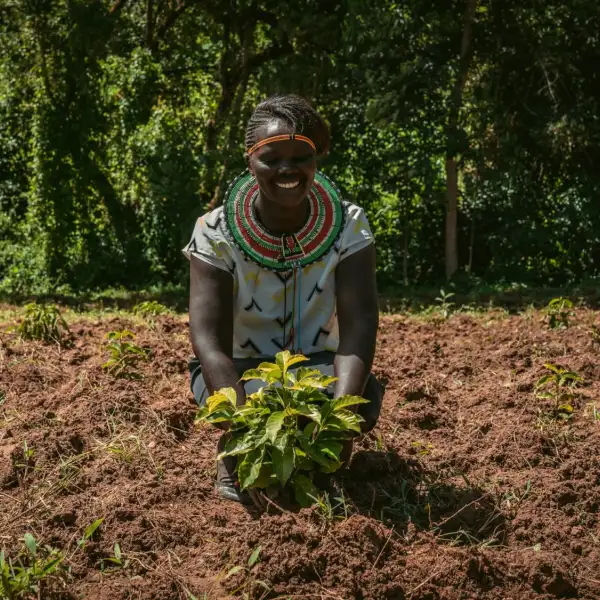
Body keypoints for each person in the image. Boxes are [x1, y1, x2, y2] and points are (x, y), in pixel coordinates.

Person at [183, 94, 383, 507]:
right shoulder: (214, 232)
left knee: (357, 396)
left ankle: (318, 465)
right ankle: (234, 459)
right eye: (271, 158)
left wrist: (339, 420)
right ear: (250, 161)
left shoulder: (349, 226)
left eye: (300, 157)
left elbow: (359, 327)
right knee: (263, 401)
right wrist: (243, 431)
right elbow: (209, 342)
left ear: (317, 159)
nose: (286, 169)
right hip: (238, 371)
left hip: (319, 369)